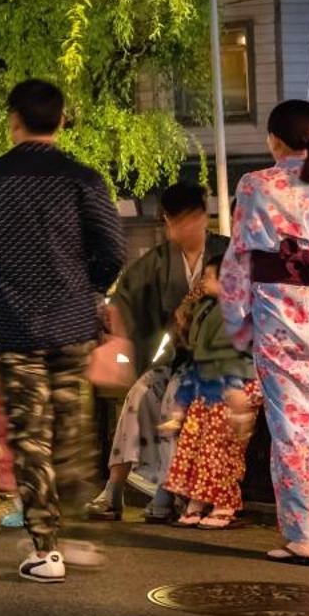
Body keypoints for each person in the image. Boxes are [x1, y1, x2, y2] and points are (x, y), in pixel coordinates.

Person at [0, 80, 127, 583]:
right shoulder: (82, 179)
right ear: (61, 121)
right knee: (71, 428)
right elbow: (113, 250)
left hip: (14, 323)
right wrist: (87, 285)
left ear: (14, 119)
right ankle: (76, 535)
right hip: (71, 320)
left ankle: (45, 549)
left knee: (29, 436)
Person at [220, 99, 309, 567]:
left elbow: (240, 259)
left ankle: (304, 537)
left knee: (292, 429)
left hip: (278, 317)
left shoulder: (255, 185)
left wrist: (236, 322)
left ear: (274, 140)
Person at [84, 182, 231, 524]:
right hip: (177, 357)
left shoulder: (227, 252)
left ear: (201, 216)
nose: (180, 228)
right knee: (139, 395)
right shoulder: (159, 260)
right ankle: (114, 489)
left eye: (187, 219)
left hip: (217, 358)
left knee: (171, 405)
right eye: (173, 221)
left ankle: (166, 491)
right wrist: (116, 330)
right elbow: (127, 298)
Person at [161, 266, 261, 528]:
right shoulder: (207, 309)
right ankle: (199, 499)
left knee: (221, 447)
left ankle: (224, 501)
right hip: (207, 385)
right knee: (195, 444)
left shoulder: (241, 311)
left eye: (209, 276)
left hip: (234, 385)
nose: (203, 281)